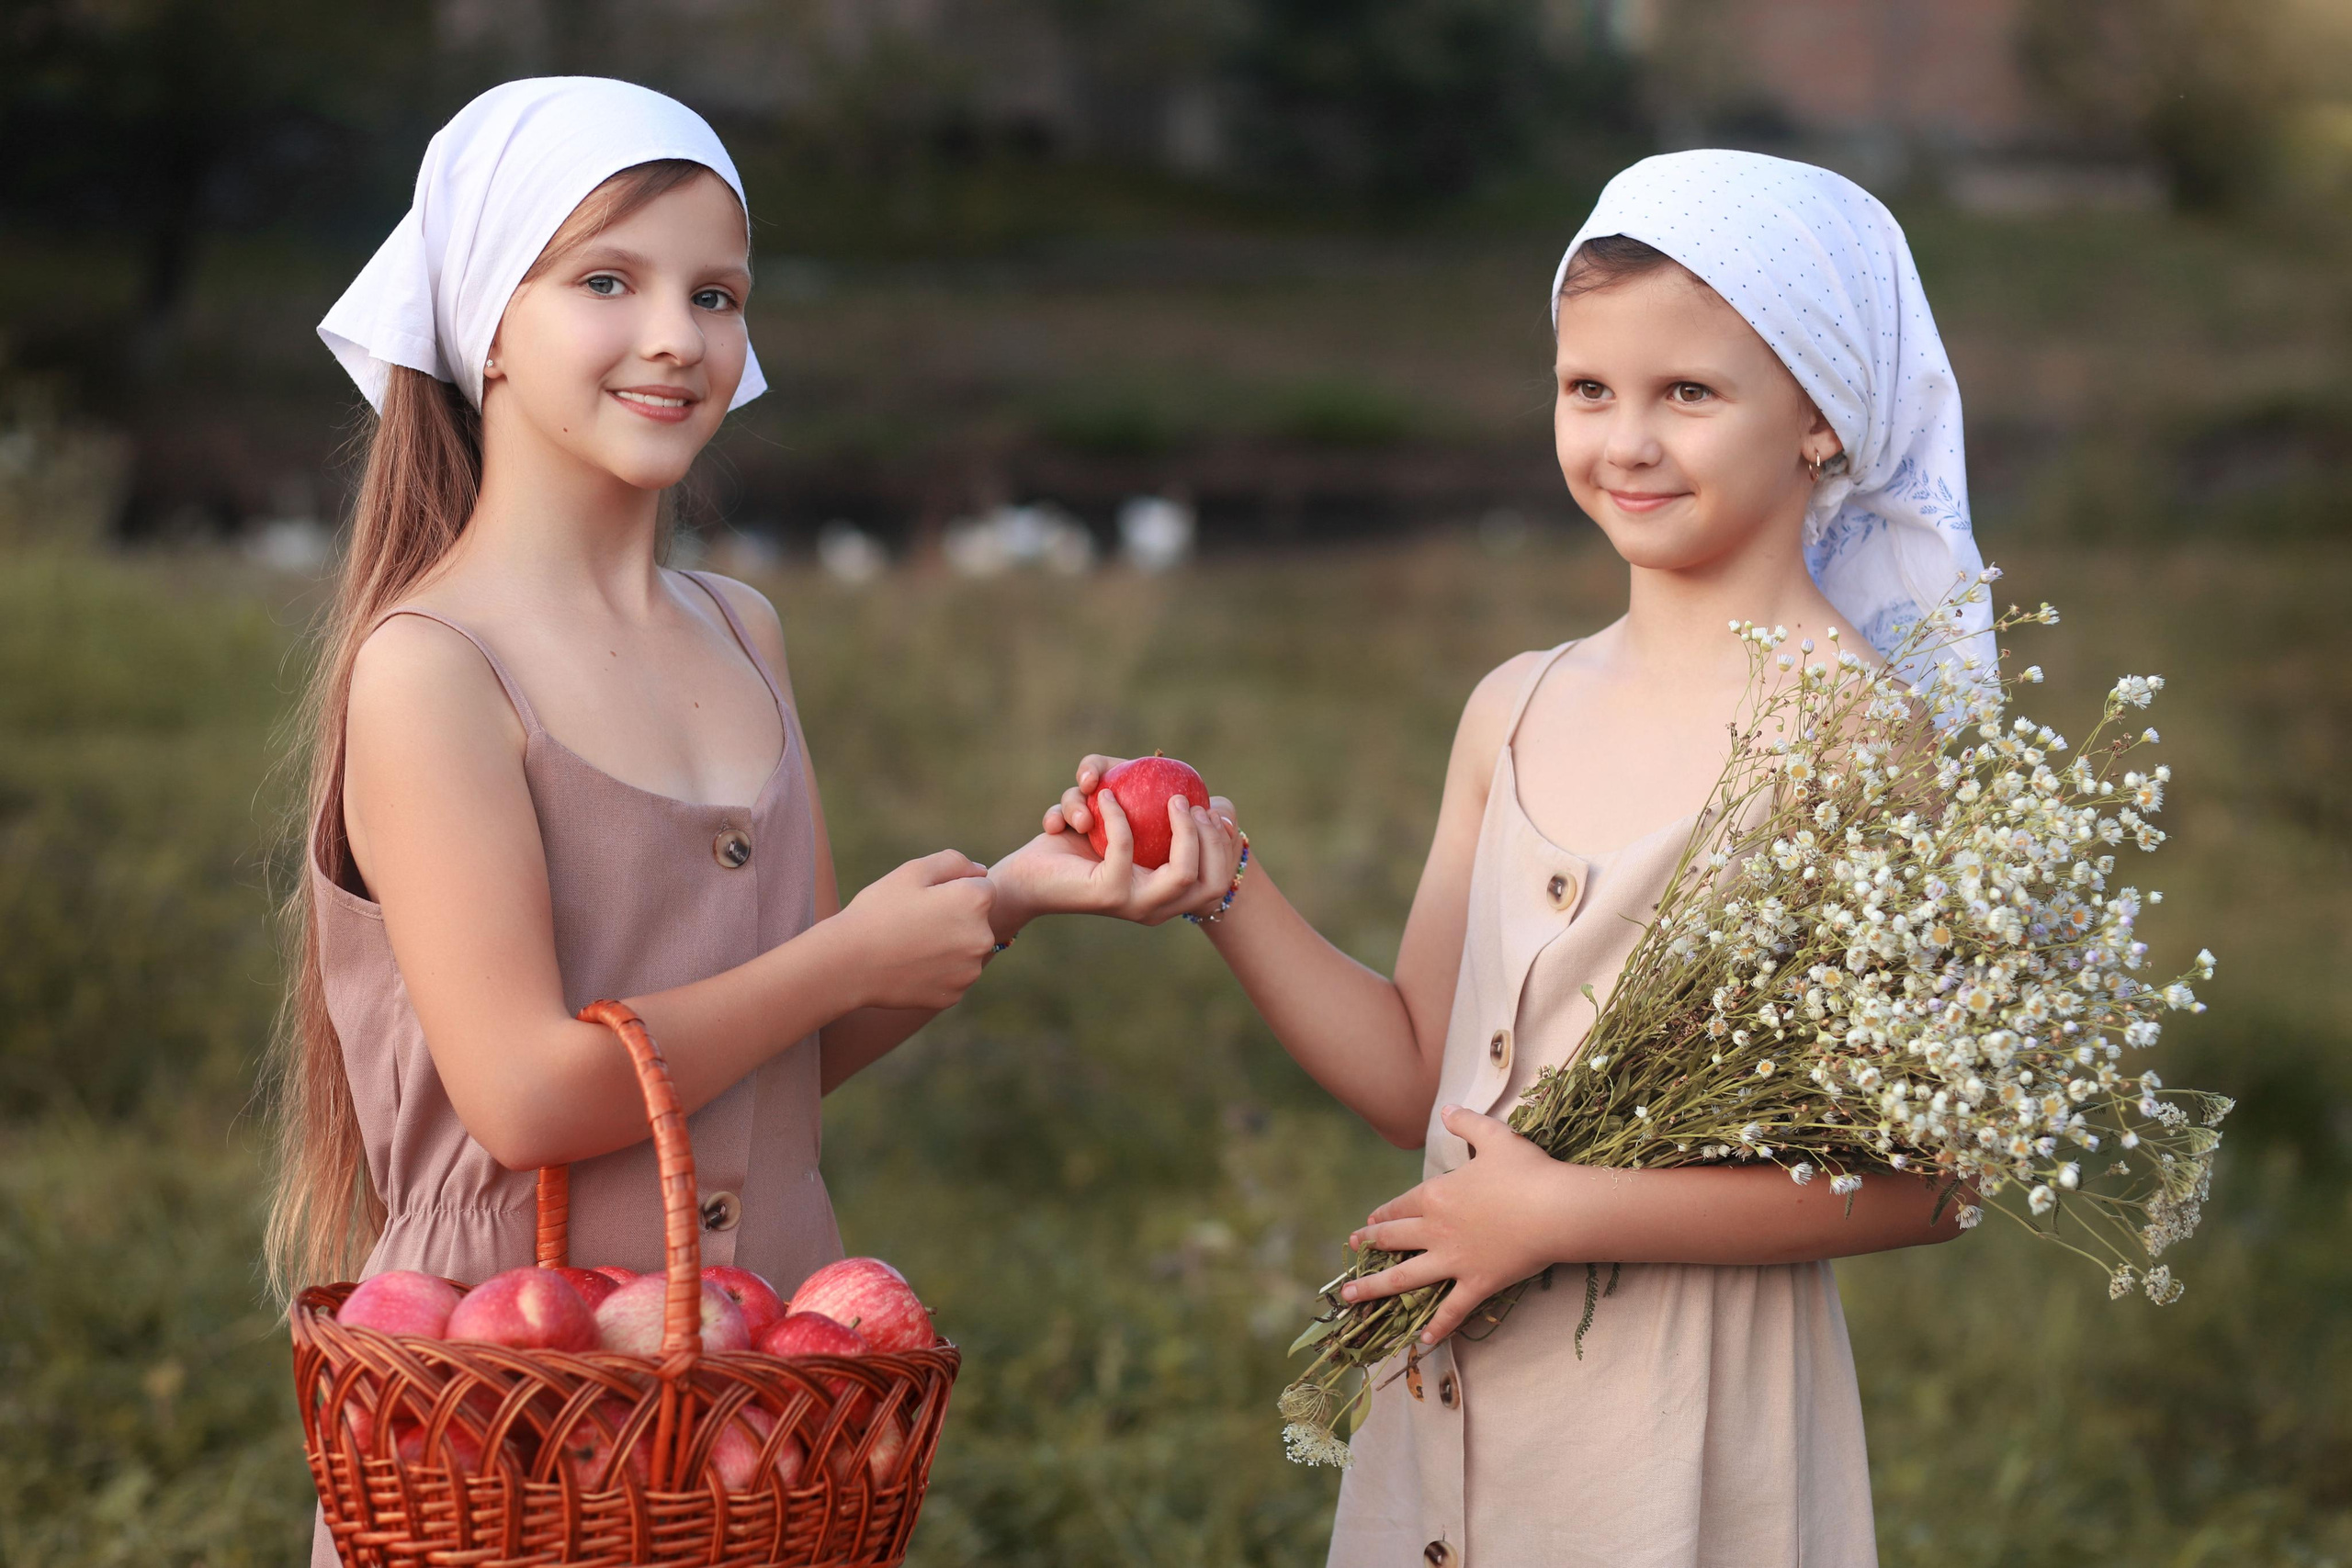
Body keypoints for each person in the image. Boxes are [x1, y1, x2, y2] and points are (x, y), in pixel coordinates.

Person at [262, 76, 1238, 1564]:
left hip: (768, 1396)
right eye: (608, 280)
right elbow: (524, 1097)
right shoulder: (434, 670)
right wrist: (847, 959)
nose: (678, 336)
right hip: (521, 1410)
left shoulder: (742, 630)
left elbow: (775, 1063)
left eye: (717, 294)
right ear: (489, 326)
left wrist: (1013, 899)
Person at [1043, 150, 1997, 1567]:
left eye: (1690, 392)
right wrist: (1225, 887)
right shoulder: (1517, 705)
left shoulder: (1860, 743)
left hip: (1681, 1439)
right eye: (1587, 389)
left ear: (1820, 420)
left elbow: (1937, 1180)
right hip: (1452, 1406)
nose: (1627, 440)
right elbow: (1415, 1074)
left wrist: (1563, 1209)